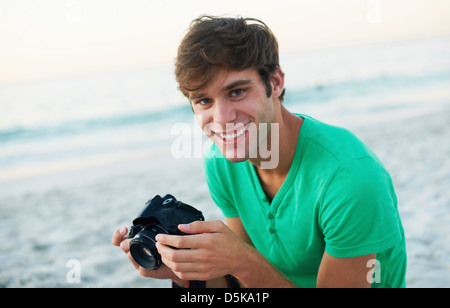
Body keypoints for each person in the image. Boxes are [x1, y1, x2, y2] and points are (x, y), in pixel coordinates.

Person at [112, 15, 407, 288]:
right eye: (203, 101)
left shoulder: (350, 179)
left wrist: (241, 260)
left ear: (275, 82)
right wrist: (187, 274)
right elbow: (241, 286)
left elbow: (248, 270)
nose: (222, 118)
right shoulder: (222, 164)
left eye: (237, 92)